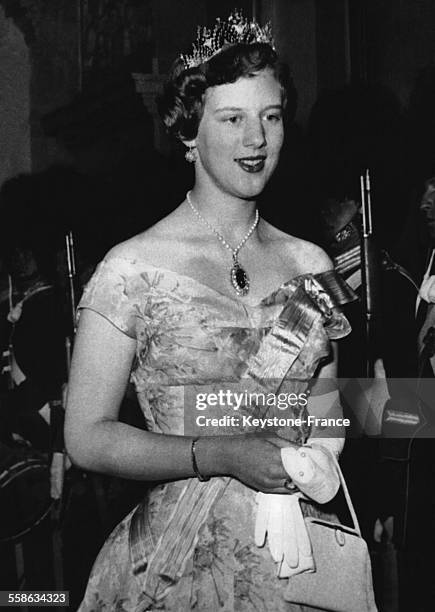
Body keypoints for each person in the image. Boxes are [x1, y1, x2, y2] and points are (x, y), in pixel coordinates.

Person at [65, 12, 365, 612]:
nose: (256, 140)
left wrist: (319, 453)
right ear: (187, 133)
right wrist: (218, 454)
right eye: (232, 119)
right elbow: (86, 437)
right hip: (178, 566)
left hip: (296, 558)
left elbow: (327, 399)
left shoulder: (310, 261)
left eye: (271, 117)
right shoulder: (132, 268)